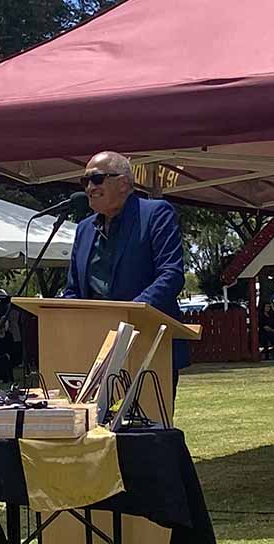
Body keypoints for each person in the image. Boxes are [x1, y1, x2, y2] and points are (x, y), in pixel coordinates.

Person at [62, 150, 188, 388]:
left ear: (123, 183)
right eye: (84, 181)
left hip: (148, 343)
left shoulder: (155, 214)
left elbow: (171, 275)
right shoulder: (84, 229)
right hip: (95, 347)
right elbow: (74, 289)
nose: (89, 187)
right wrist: (67, 318)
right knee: (95, 424)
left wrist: (130, 314)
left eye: (97, 179)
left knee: (149, 424)